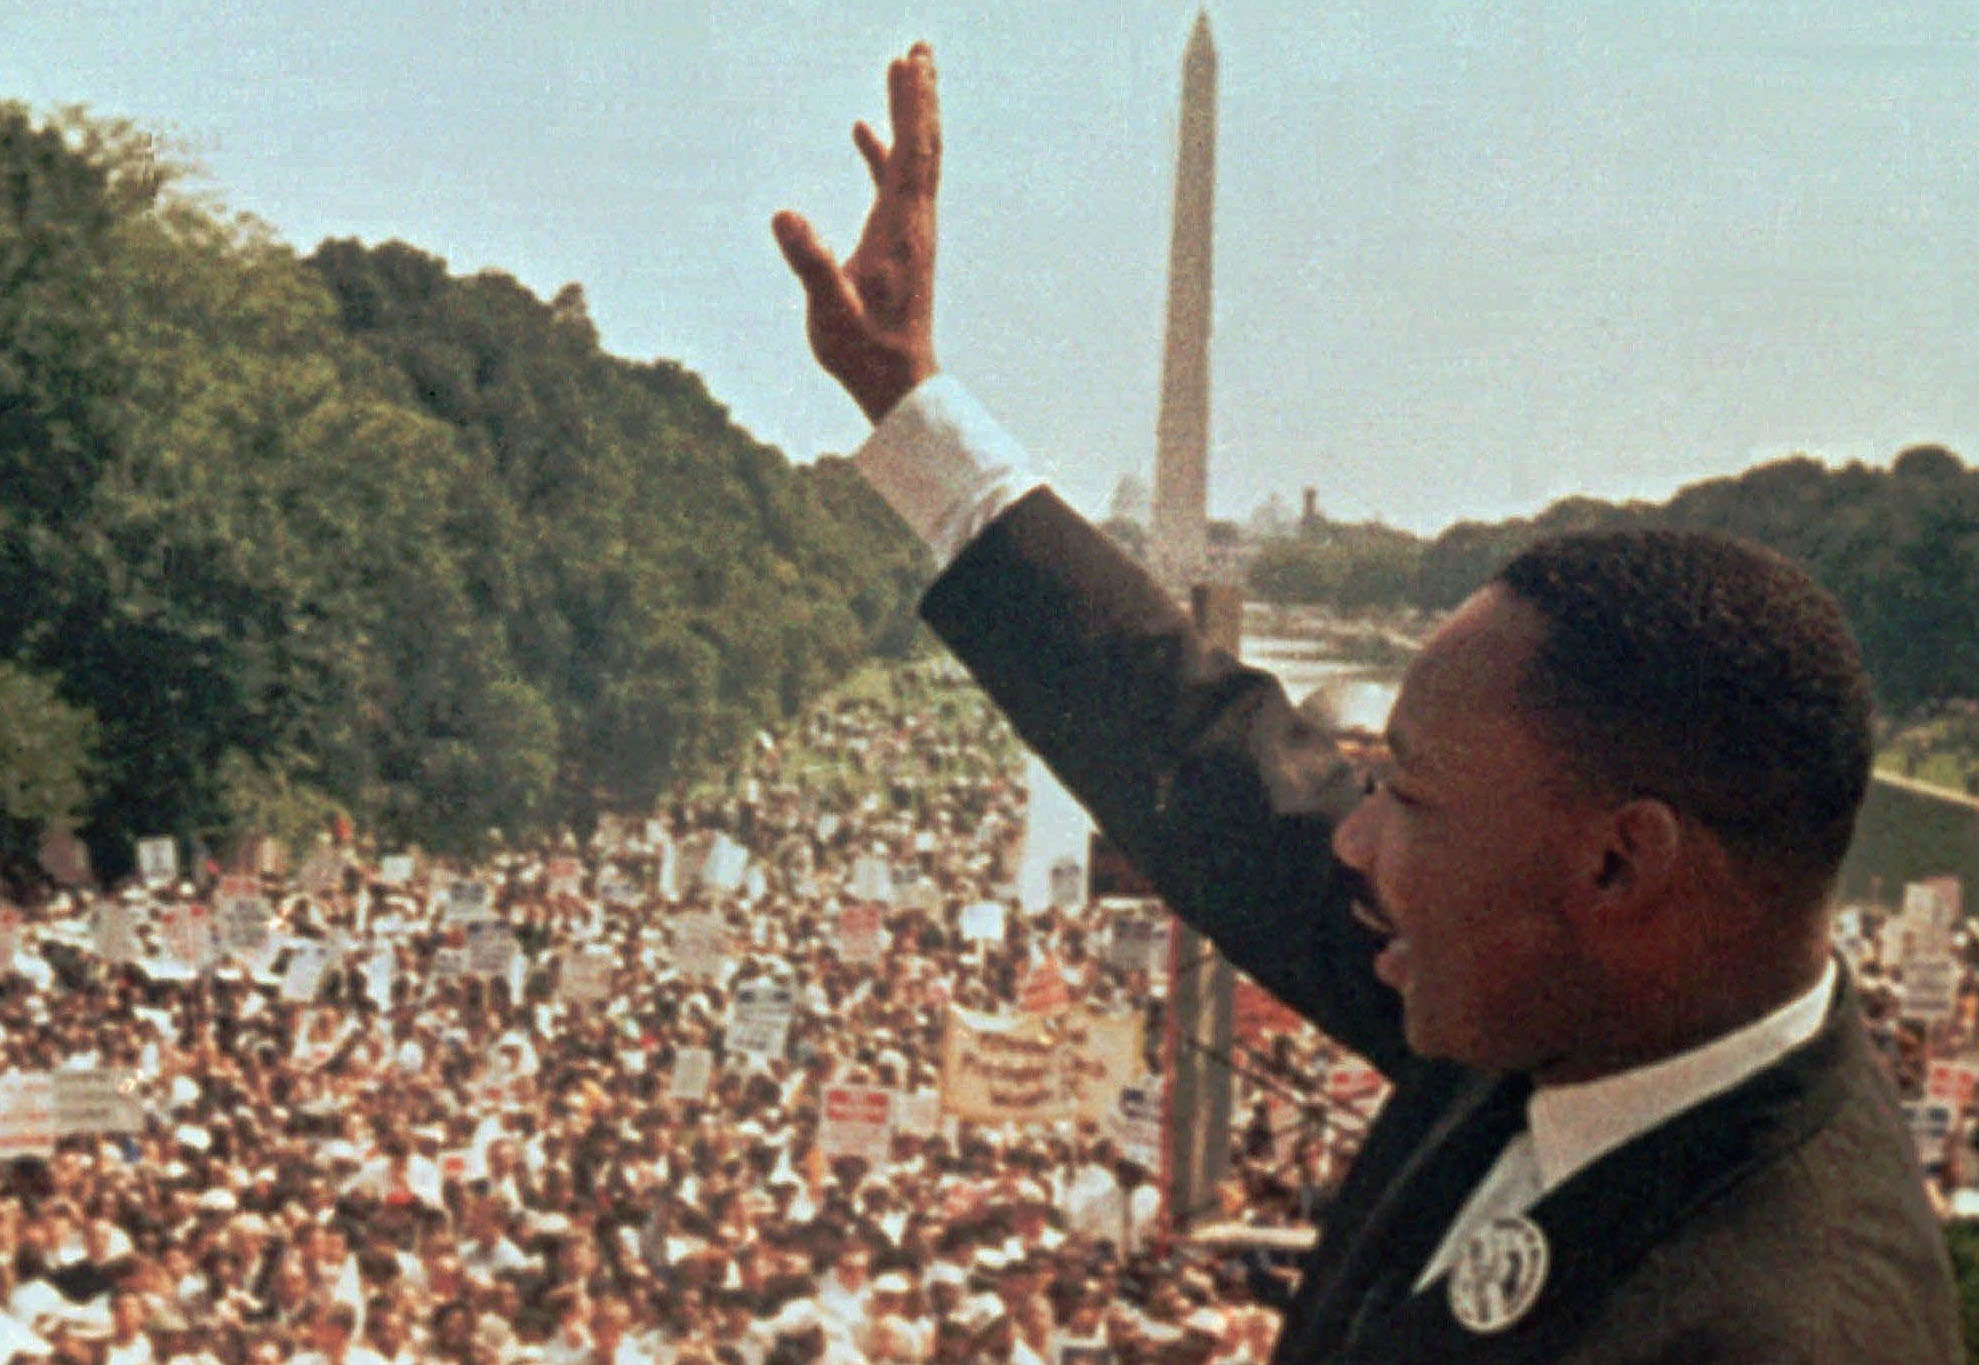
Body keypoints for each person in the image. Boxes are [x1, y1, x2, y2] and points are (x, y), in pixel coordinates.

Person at [772, 43, 1963, 1363]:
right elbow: (1206, 748)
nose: (1348, 834)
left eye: (1406, 790)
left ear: (1619, 861)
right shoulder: (1586, 996)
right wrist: (910, 403)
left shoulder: (1777, 1328)